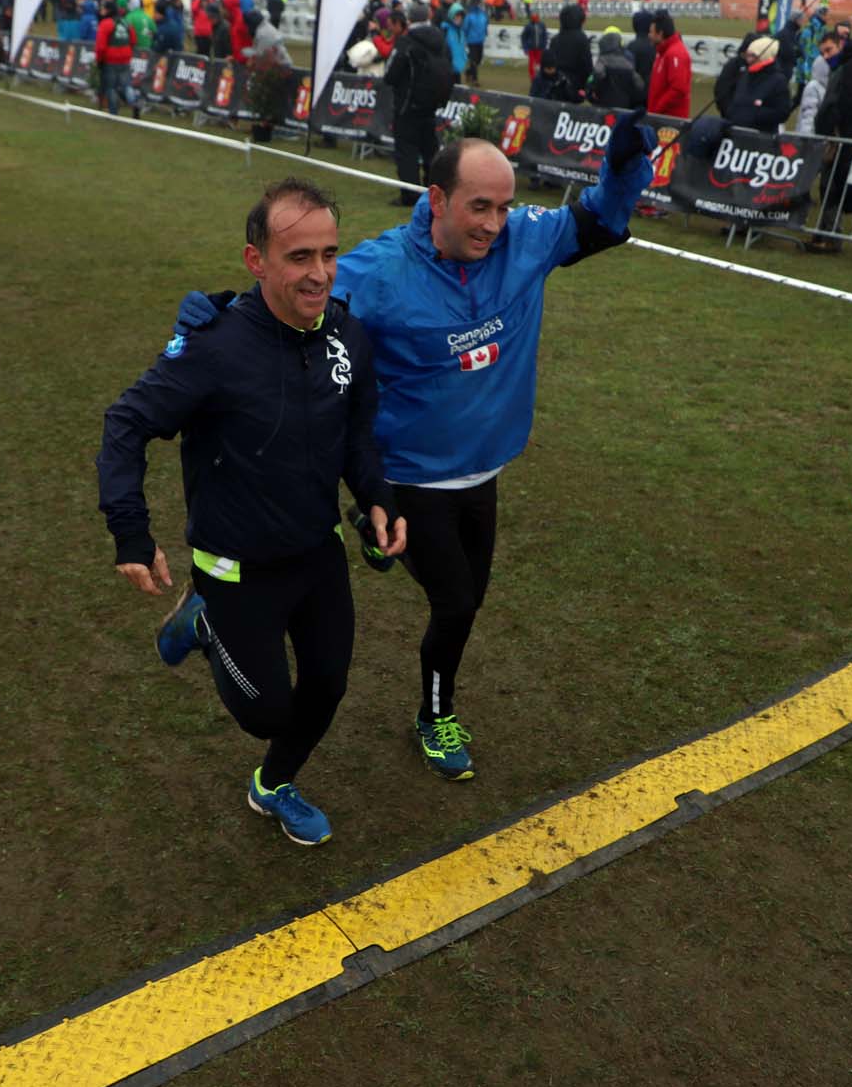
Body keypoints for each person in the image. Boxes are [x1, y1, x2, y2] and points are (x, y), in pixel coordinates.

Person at [178, 122, 656, 780]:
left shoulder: (527, 243)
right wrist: (218, 316)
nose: (494, 223)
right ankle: (434, 715)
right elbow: (293, 302)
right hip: (409, 476)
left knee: (465, 604)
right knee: (456, 601)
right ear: (436, 199)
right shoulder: (378, 271)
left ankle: (376, 548)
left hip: (483, 470)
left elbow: (601, 219)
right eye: (478, 206)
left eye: (504, 205)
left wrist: (625, 166)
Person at [97, 178, 404, 846]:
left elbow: (356, 433)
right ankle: (203, 623)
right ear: (255, 260)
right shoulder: (213, 348)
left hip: (316, 552)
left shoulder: (348, 333)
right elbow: (125, 424)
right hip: (233, 566)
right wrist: (130, 533)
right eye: (299, 257)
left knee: (327, 684)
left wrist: (376, 497)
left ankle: (272, 786)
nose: (319, 273)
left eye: (329, 253)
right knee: (268, 712)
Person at [807, 35, 852, 252]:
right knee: (829, 186)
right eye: (823, 52)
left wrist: (834, 126)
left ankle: (831, 236)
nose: (826, 56)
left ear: (841, 46)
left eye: (829, 50)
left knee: (834, 187)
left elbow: (849, 103)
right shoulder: (850, 64)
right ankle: (824, 233)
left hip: (843, 138)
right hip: (840, 136)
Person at [383, 4, 451, 207]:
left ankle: (410, 195)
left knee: (406, 151)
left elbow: (390, 74)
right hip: (431, 105)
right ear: (429, 16)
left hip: (407, 106)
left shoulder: (407, 41)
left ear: (409, 19)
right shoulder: (441, 40)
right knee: (430, 149)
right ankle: (435, 191)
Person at [720, 35, 791, 133]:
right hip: (736, 134)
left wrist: (751, 114)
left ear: (764, 56)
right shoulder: (745, 75)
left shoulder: (778, 80)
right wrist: (732, 113)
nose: (748, 60)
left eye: (753, 56)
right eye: (748, 55)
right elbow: (733, 100)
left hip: (762, 139)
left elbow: (782, 112)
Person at [94, 0, 137, 118]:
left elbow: (101, 46)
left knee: (111, 86)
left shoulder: (105, 24)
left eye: (103, 9)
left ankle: (113, 113)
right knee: (127, 84)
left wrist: (99, 60)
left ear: (108, 10)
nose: (101, 11)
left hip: (110, 59)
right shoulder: (126, 22)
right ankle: (134, 103)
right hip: (125, 58)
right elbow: (133, 40)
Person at [646, 11, 692, 117]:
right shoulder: (662, 52)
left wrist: (656, 110)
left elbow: (678, 89)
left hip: (669, 122)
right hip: (660, 118)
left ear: (660, 33)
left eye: (651, 32)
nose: (649, 35)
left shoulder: (675, 53)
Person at [587, 27, 644, 109]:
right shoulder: (627, 62)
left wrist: (591, 93)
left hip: (604, 104)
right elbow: (639, 85)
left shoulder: (602, 60)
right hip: (624, 105)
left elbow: (595, 77)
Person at [546, 2, 593, 98]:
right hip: (574, 87)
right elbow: (587, 66)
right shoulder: (581, 39)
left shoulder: (555, 39)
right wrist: (586, 86)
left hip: (555, 85)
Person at [463, 0, 488, 85]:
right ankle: (475, 79)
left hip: (480, 40)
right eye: (477, 2)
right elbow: (465, 27)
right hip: (471, 40)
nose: (478, 4)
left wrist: (485, 32)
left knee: (478, 59)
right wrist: (465, 37)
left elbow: (485, 24)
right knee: (473, 60)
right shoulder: (469, 15)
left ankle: (469, 72)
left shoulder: (482, 14)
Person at [519, 4, 548, 82]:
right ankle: (533, 79)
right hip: (531, 48)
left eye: (536, 17)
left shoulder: (542, 25)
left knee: (540, 64)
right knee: (531, 64)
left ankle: (541, 78)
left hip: (540, 48)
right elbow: (523, 37)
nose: (535, 19)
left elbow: (545, 36)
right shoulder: (528, 26)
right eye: (534, 18)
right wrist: (525, 48)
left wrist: (544, 46)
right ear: (532, 18)